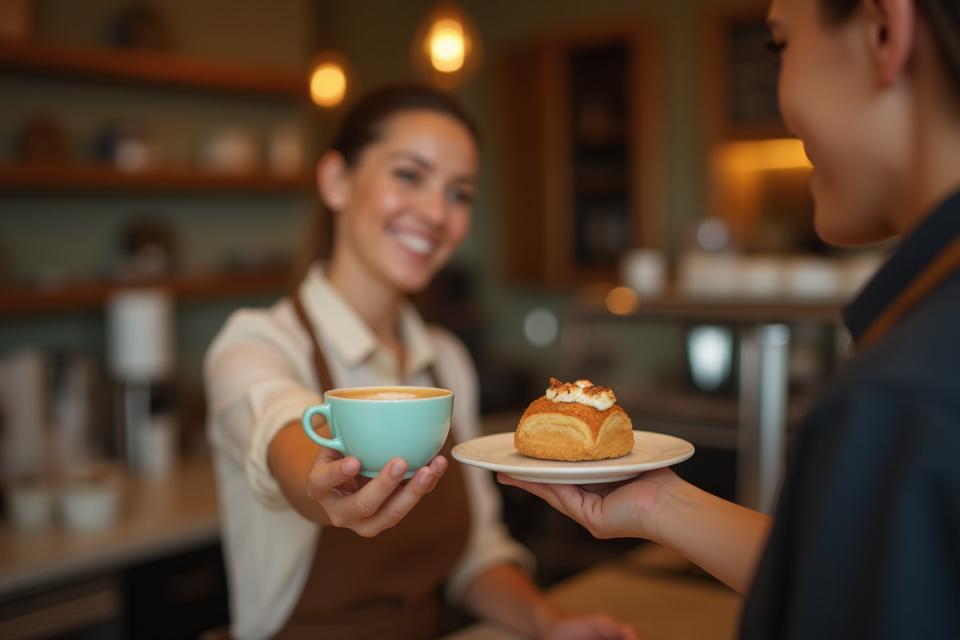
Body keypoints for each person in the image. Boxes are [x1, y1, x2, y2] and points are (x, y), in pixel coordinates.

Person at [500, 0, 960, 637]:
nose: (780, 97)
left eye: (781, 44)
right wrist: (663, 502)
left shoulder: (904, 394)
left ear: (885, 32)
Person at [204, 84, 638, 639]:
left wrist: (550, 623)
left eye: (459, 194)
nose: (436, 213)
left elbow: (474, 553)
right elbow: (282, 431)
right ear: (336, 180)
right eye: (409, 175)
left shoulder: (447, 363)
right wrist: (324, 480)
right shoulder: (256, 343)